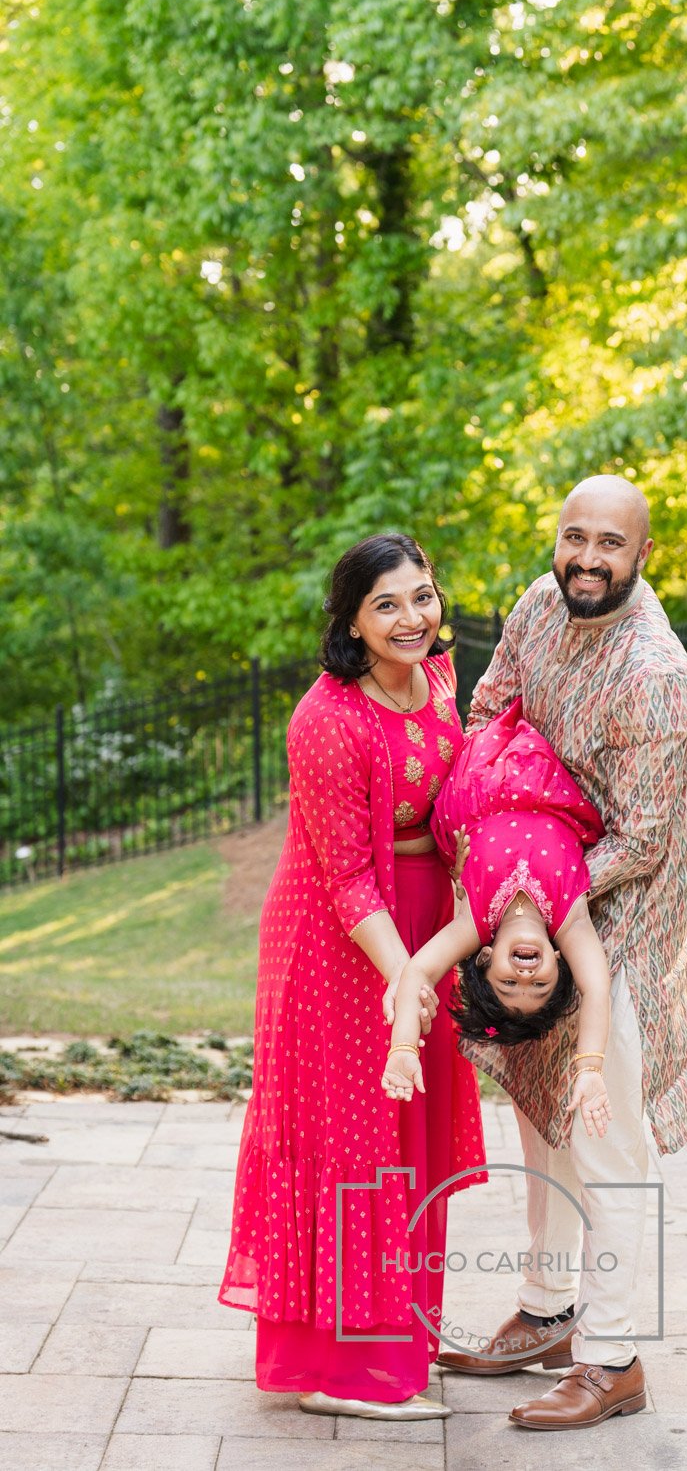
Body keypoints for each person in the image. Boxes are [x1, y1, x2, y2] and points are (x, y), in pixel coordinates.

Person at [435, 476, 687, 1431]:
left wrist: (529, 886)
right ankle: (549, 1312)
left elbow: (642, 839)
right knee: (541, 1104)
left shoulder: (656, 680)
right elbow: (486, 709)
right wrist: (504, 827)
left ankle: (613, 1356)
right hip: (531, 893)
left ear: (643, 555)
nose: (587, 559)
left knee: (605, 1126)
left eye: (611, 545)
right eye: (573, 538)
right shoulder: (540, 605)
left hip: (618, 910)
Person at [218, 533, 486, 1422]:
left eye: (423, 595)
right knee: (355, 1140)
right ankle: (348, 1370)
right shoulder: (325, 720)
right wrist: (405, 980)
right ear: (352, 621)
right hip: (344, 943)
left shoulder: (441, 683)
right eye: (388, 605)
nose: (413, 618)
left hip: (423, 934)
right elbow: (345, 881)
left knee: (411, 1136)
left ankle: (400, 1326)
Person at [380, 697, 614, 1139]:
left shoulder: (474, 922)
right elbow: (596, 986)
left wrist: (404, 1045)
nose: (525, 976)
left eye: (508, 983)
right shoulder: (569, 920)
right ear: (558, 963)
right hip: (543, 776)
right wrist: (590, 1069)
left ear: (485, 961)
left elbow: (418, 971)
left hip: (481, 778)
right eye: (539, 984)